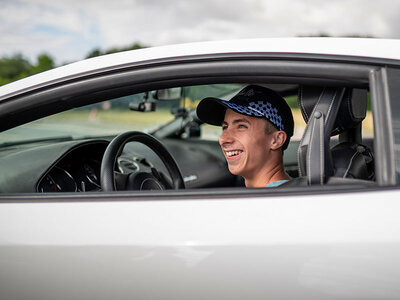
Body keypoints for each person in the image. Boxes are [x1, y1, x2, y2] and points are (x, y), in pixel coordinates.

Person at [196, 85, 294, 188]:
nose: (223, 139)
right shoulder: (284, 193)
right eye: (225, 127)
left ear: (276, 140)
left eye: (241, 126)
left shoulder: (273, 202)